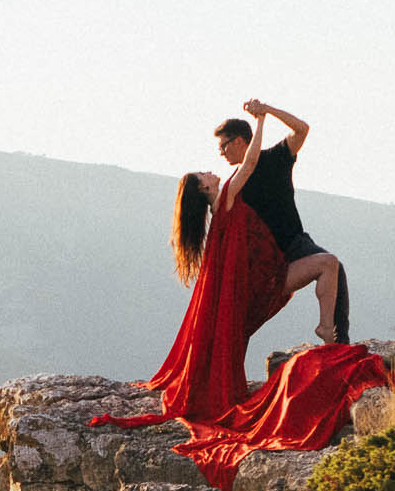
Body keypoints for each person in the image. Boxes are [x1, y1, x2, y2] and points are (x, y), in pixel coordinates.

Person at [89, 108, 288, 430]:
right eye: (204, 174)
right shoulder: (225, 196)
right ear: (205, 189)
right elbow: (250, 163)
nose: (211, 171)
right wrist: (262, 121)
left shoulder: (220, 205)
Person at [215, 99, 350, 344]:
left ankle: (338, 341)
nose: (221, 152)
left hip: (295, 243)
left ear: (238, 141)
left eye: (223, 146)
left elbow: (302, 129)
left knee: (335, 269)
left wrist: (267, 111)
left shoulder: (276, 157)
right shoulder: (236, 182)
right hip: (267, 261)